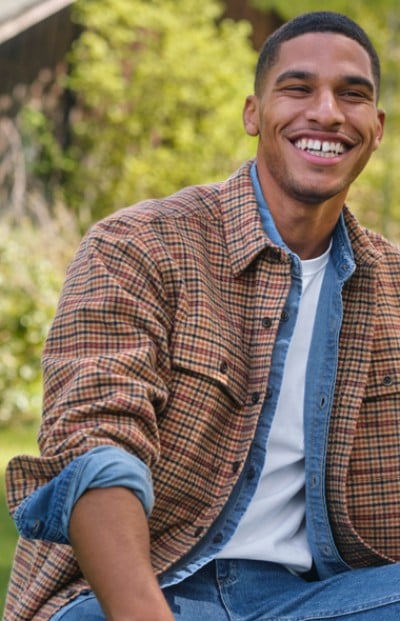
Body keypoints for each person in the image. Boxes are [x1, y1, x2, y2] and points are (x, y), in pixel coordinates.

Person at [4, 9, 400, 621]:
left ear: (375, 128)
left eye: (352, 95)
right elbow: (94, 447)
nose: (326, 111)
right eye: (298, 88)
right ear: (252, 114)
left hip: (313, 599)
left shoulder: (393, 286)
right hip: (135, 593)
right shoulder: (141, 245)